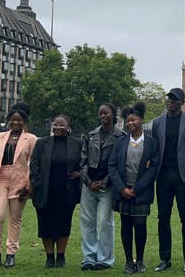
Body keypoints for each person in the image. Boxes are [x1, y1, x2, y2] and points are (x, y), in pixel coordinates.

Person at [0, 102, 37, 268]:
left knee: (15, 219)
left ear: (24, 121)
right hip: (1, 181)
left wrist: (27, 185)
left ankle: (11, 253)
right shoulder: (0, 137)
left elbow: (33, 163)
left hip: (19, 183)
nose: (16, 123)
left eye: (19, 120)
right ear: (8, 121)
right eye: (13, 120)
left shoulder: (31, 139)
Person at [151, 88, 185, 272]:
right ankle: (165, 259)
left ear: (182, 102)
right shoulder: (158, 122)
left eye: (175, 99)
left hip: (183, 176)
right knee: (163, 218)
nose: (171, 101)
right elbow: (155, 148)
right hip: (163, 176)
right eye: (169, 98)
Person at [108, 102, 160, 274]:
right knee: (126, 225)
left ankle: (141, 259)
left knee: (140, 225)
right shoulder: (121, 142)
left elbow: (153, 168)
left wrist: (136, 188)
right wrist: (122, 188)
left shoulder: (151, 142)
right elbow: (113, 165)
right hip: (123, 191)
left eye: (134, 120)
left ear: (141, 120)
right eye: (128, 121)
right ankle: (129, 261)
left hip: (141, 192)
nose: (130, 123)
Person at [30, 115, 83, 268]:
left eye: (62, 125)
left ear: (68, 127)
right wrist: (36, 182)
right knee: (45, 224)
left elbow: (84, 162)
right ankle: (49, 256)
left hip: (67, 191)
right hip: (45, 191)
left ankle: (60, 255)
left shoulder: (77, 143)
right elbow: (34, 164)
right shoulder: (42, 143)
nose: (58, 127)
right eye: (56, 124)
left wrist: (79, 174)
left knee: (64, 223)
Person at [79, 103, 124, 270]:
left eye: (106, 113)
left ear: (113, 115)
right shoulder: (90, 135)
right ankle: (89, 258)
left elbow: (119, 164)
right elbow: (83, 160)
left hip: (108, 186)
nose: (103, 116)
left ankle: (105, 259)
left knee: (105, 222)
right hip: (88, 184)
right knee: (87, 222)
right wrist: (88, 180)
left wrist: (104, 182)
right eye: (100, 114)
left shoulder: (121, 137)